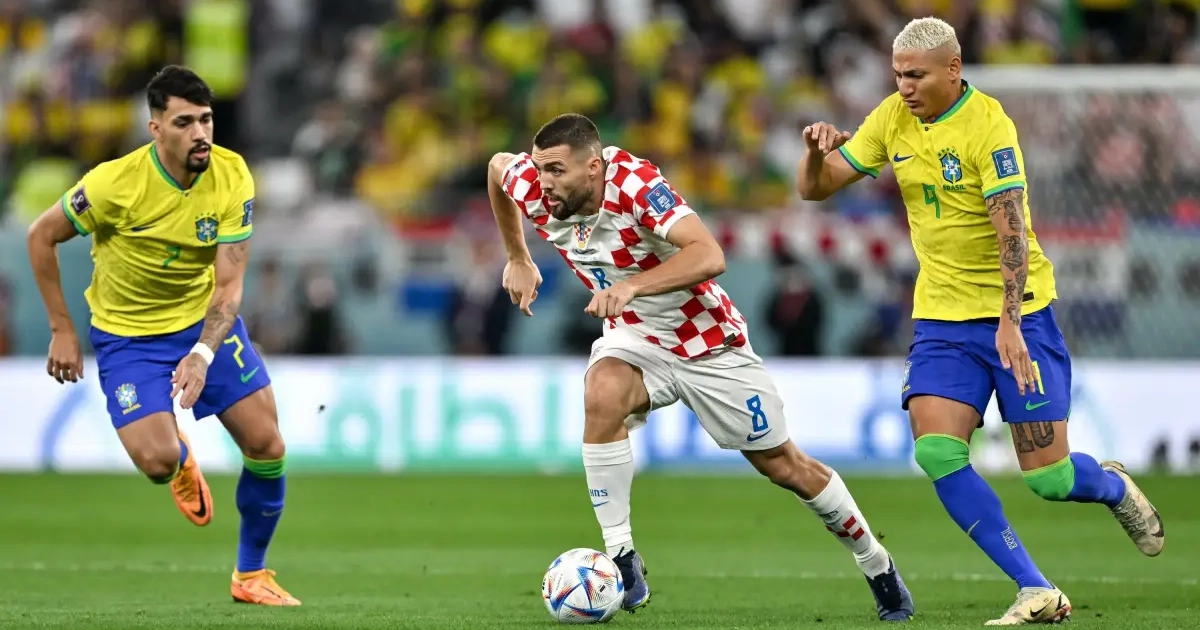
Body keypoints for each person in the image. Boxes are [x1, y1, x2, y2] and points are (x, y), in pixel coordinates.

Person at [796, 17, 1163, 626]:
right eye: (898, 74)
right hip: (942, 319)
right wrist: (815, 154)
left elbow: (1011, 231)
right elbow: (817, 189)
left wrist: (1010, 320)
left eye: (916, 75)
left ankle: (1113, 487)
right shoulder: (892, 117)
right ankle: (1035, 588)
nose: (904, 86)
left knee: (1050, 479)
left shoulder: (989, 126)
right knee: (937, 452)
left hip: (1019, 316)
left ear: (953, 69)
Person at [488, 113, 915, 622]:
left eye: (556, 170)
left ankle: (877, 564)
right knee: (601, 393)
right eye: (540, 169)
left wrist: (632, 286)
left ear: (594, 167)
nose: (543, 182)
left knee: (785, 467)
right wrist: (518, 256)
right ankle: (622, 556)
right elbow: (497, 168)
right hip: (635, 336)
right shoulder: (537, 188)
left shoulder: (636, 185)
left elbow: (710, 255)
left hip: (708, 342)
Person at [25, 66, 300, 607]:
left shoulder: (232, 175)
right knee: (156, 462)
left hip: (201, 322)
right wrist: (61, 329)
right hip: (128, 339)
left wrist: (202, 353)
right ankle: (179, 460)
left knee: (267, 444)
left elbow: (230, 286)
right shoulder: (113, 184)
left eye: (207, 120)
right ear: (156, 129)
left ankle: (251, 575)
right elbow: (40, 237)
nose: (200, 133)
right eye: (184, 122)